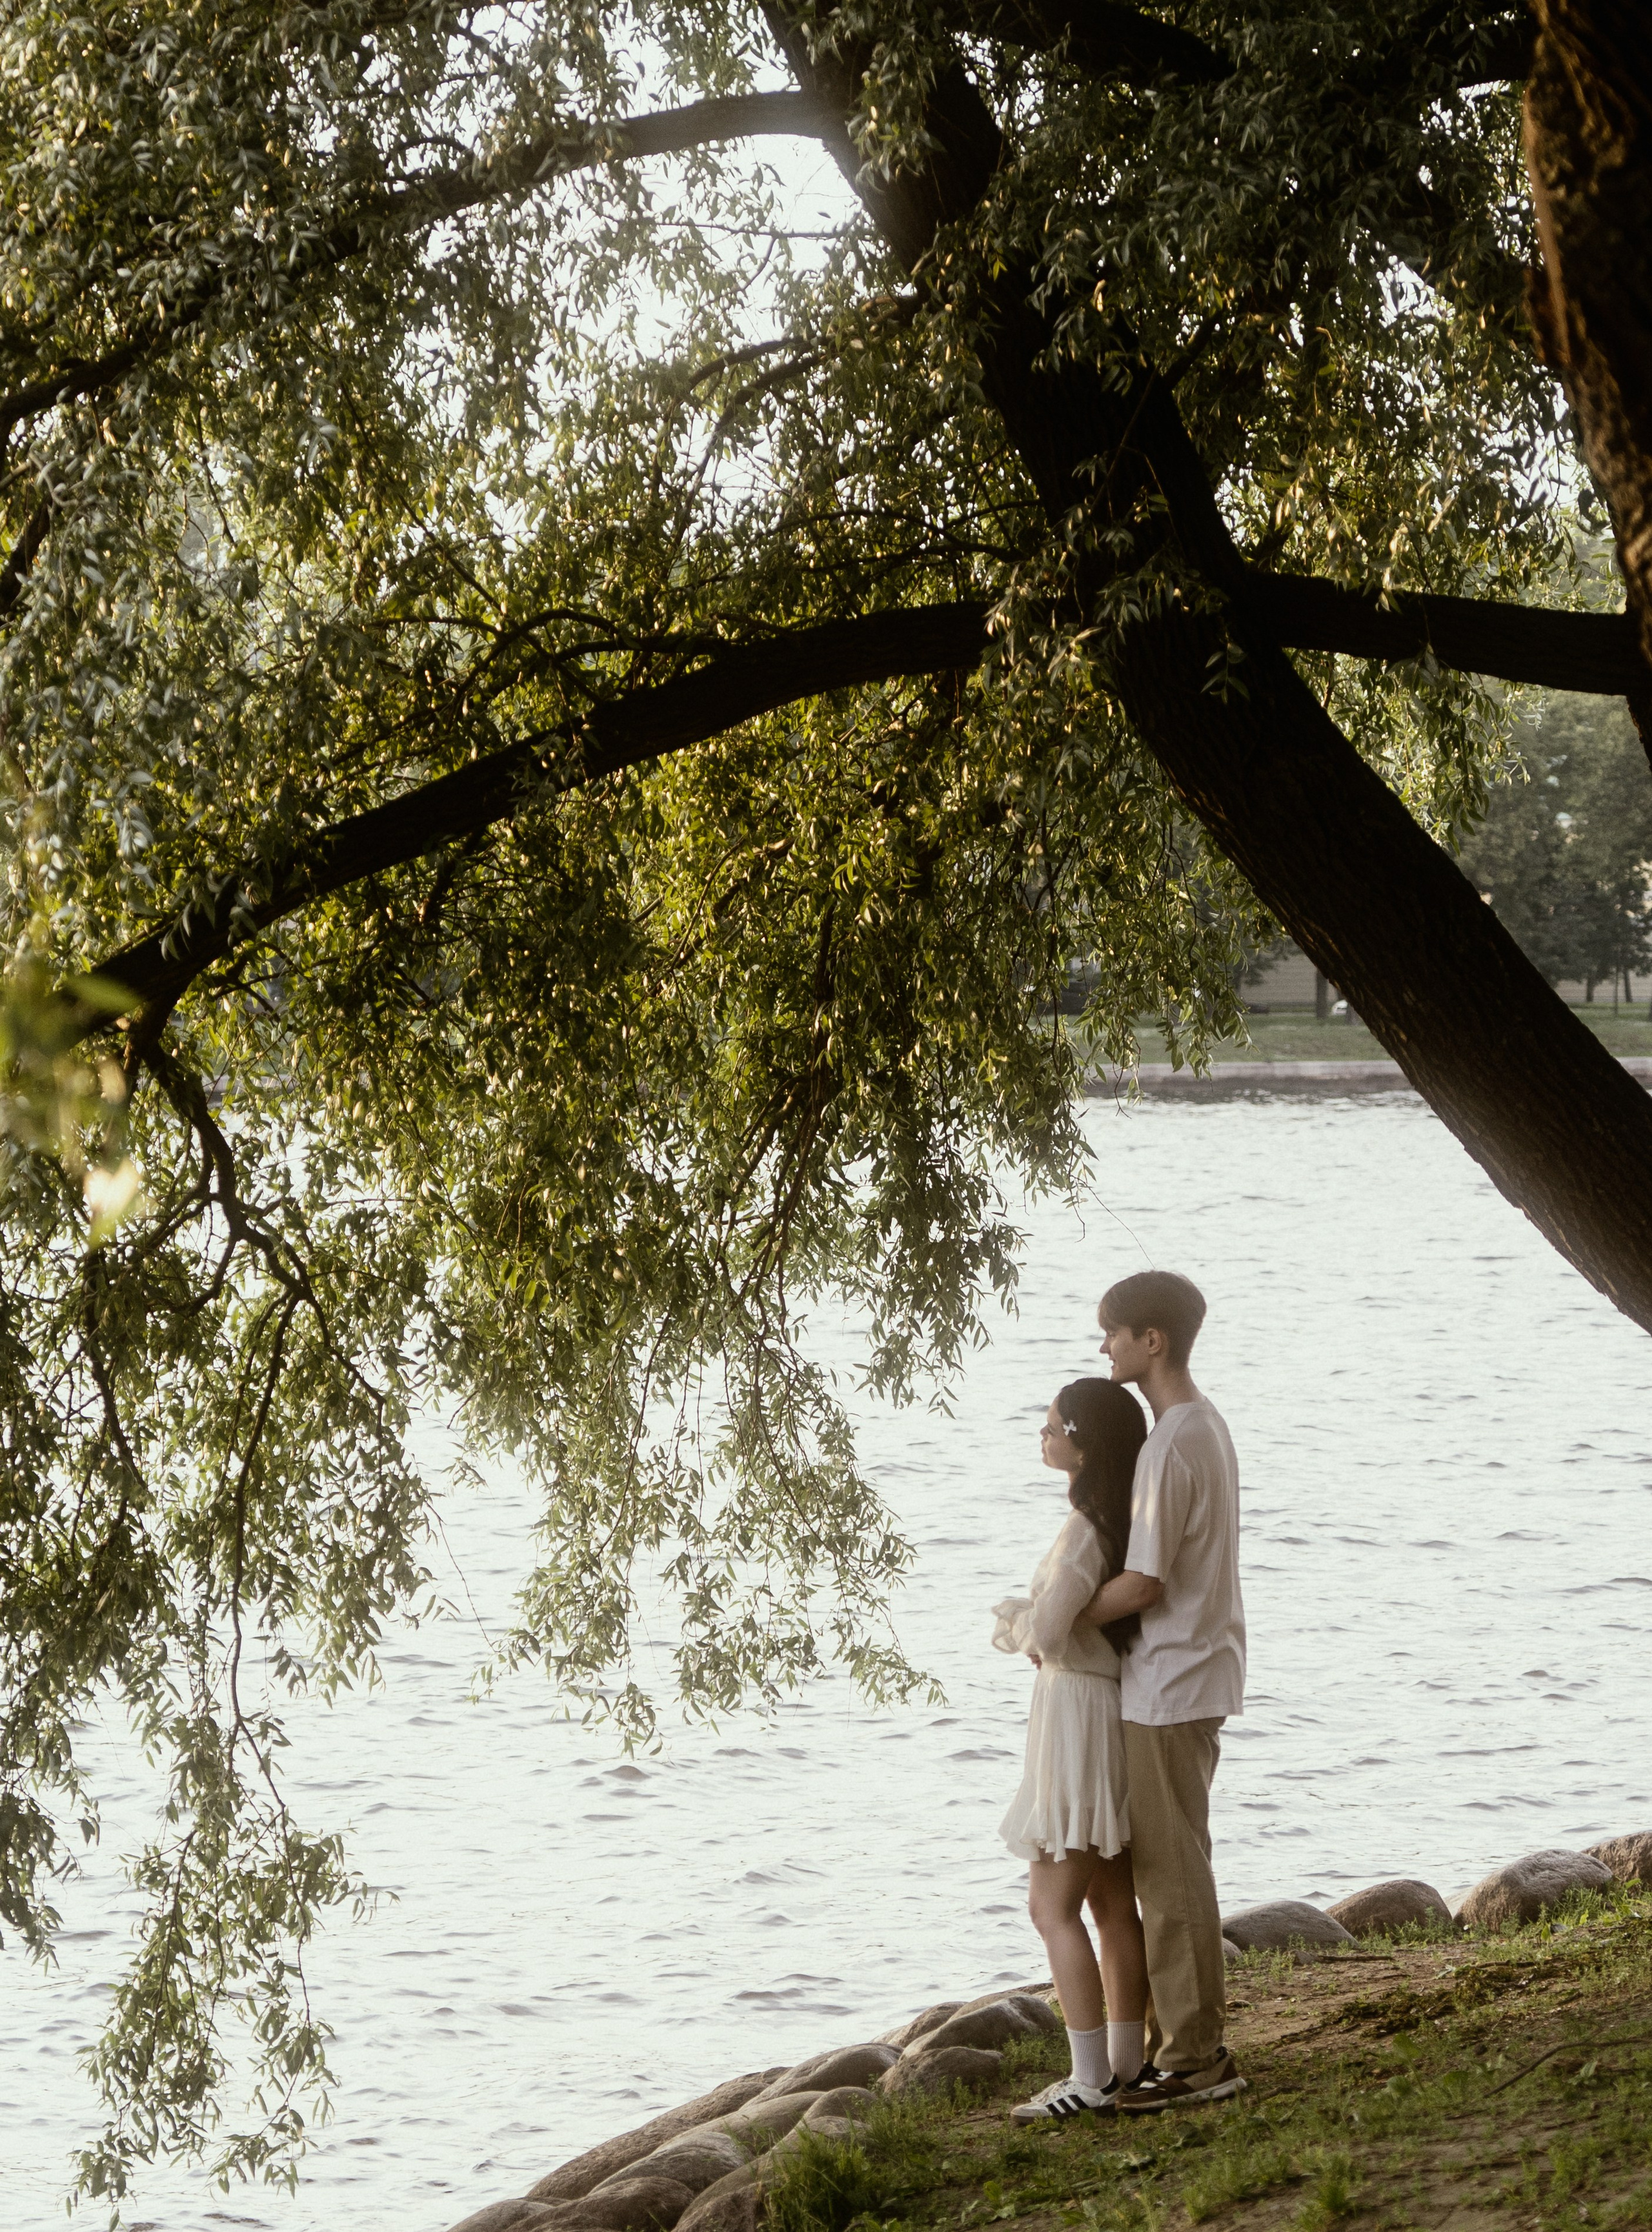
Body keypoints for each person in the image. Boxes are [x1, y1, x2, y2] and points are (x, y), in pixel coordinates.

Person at [1079, 1269, 1247, 2113]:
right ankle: (1172, 2047)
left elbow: (1144, 1581)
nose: (1103, 1344)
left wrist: (1060, 1621)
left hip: (1173, 1680)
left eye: (1113, 1331)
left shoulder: (1173, 1441)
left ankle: (1195, 2058)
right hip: (1188, 1672)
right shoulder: (1198, 1425)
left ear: (1154, 1340)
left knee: (1171, 1874)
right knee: (1173, 1865)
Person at [992, 1377, 1152, 2120]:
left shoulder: (1085, 1529)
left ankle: (1089, 2077)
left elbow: (1049, 1629)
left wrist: (1018, 1624)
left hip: (1075, 1713)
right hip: (1100, 1705)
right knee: (1109, 1898)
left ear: (1084, 1445)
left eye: (1053, 1425)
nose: (1043, 1434)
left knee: (1049, 1903)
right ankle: (1125, 2064)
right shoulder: (1120, 1521)